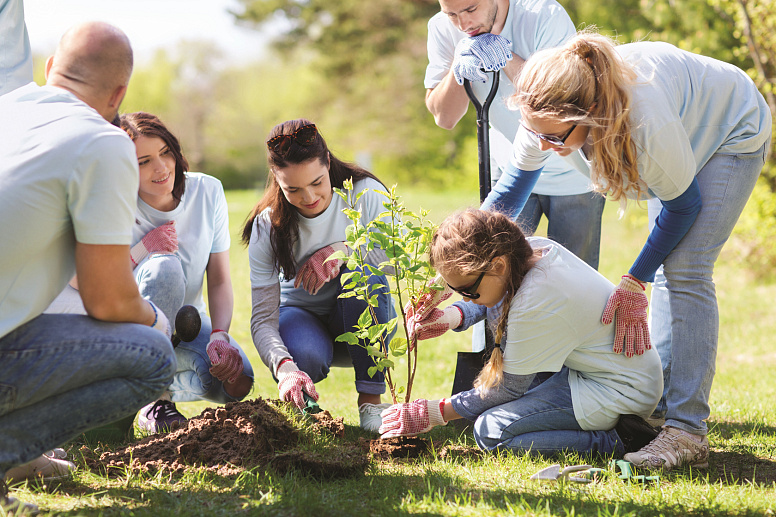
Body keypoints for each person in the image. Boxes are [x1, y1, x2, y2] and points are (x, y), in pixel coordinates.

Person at [476, 31, 771, 470]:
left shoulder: (645, 123)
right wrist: (460, 256)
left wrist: (635, 280)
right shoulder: (544, 112)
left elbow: (683, 205)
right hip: (678, 130)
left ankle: (686, 430)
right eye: (536, 134)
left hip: (730, 128)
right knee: (672, 264)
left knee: (685, 269)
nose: (544, 147)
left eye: (556, 139)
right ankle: (657, 410)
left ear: (591, 115)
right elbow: (512, 190)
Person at [0, 6, 175, 513]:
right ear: (119, 96)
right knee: (152, 356)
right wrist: (157, 318)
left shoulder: (8, 111)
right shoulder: (100, 142)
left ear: (51, 64)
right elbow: (106, 298)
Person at [380, 209, 663, 459]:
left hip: (620, 390)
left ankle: (619, 439)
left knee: (490, 431)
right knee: (496, 416)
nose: (465, 298)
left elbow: (508, 388)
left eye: (467, 290)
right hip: (605, 374)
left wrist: (434, 412)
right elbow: (497, 294)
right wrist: (451, 317)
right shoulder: (531, 251)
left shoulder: (536, 300)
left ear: (498, 265)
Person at [45, 112, 256, 433]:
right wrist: (144, 248)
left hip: (183, 328)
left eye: (165, 152)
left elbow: (220, 278)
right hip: (126, 333)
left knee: (237, 381)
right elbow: (78, 278)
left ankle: (143, 395)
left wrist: (220, 336)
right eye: (143, 161)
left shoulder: (207, 191)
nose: (161, 167)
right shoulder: (112, 202)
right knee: (165, 268)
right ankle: (156, 399)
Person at [425, 0, 605, 353]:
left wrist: (505, 56)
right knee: (486, 271)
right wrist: (458, 70)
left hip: (570, 168)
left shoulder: (543, 16)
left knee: (570, 282)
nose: (463, 23)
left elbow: (560, 96)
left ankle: (562, 372)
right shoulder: (443, 28)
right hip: (512, 168)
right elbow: (444, 117)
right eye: (452, 14)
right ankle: (490, 367)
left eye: (471, 10)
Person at [244, 119, 397, 432]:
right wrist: (284, 367)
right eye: (293, 189)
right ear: (276, 177)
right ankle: (306, 407)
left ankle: (370, 404)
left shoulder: (364, 193)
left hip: (364, 320)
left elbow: (397, 260)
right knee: (303, 356)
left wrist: (342, 250)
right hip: (303, 321)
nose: (309, 198)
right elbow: (262, 319)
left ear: (328, 162)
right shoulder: (267, 226)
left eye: (317, 182)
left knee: (362, 274)